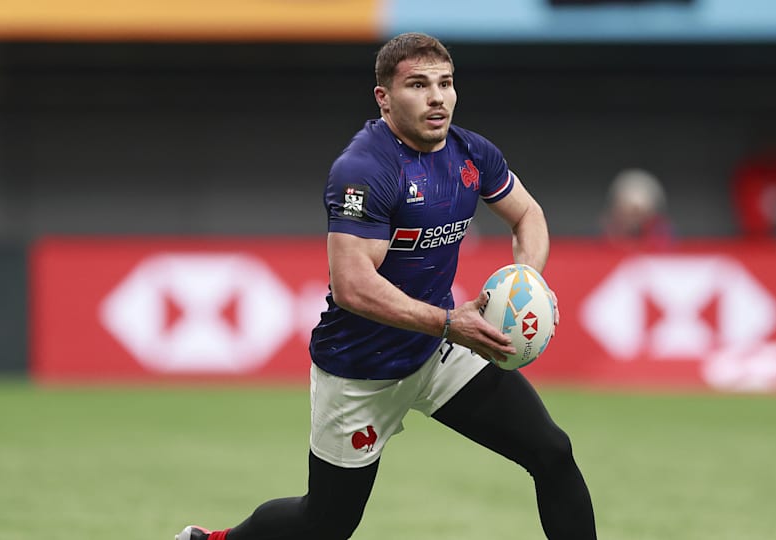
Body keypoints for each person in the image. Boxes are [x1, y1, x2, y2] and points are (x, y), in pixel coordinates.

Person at [175, 32, 597, 540]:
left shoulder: (470, 152)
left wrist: (526, 279)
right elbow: (352, 286)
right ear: (384, 98)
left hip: (438, 352)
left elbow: (527, 214)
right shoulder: (364, 170)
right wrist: (447, 322)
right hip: (361, 370)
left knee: (551, 452)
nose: (437, 96)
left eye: (445, 83)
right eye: (418, 85)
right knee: (325, 523)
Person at [600, 167, 674, 249]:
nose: (632, 220)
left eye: (637, 214)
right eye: (627, 213)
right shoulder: (596, 243)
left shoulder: (664, 249)